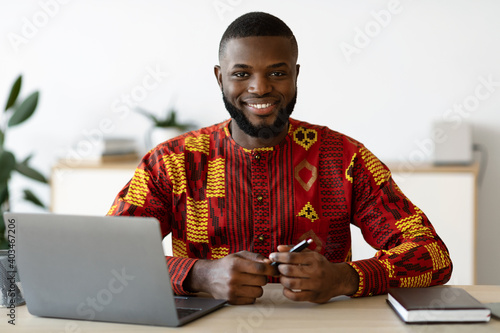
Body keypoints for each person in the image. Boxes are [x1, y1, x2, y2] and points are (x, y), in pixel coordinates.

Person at [107, 12, 452, 305]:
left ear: (296, 75)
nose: (259, 88)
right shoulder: (171, 162)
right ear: (219, 77)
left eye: (277, 72)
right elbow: (108, 257)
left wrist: (345, 278)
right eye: (242, 74)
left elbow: (432, 256)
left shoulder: (345, 159)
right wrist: (199, 274)